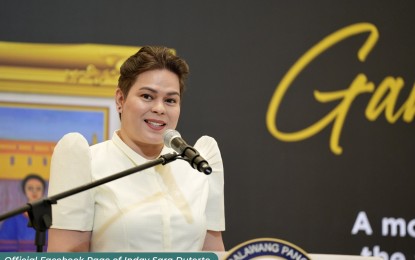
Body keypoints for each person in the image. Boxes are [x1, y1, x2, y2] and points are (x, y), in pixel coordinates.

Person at [47, 46, 225, 252]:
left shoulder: (197, 164)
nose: (159, 108)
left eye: (170, 100)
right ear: (120, 100)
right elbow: (66, 254)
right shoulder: (86, 163)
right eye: (147, 96)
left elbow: (215, 253)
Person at [0, 174, 47, 252]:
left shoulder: (48, 220)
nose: (34, 191)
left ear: (43, 191)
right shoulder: (12, 220)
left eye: (38, 188)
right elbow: (4, 248)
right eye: (30, 188)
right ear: (24, 190)